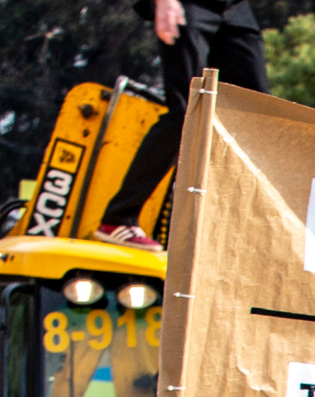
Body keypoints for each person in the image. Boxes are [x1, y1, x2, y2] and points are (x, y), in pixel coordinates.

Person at [95, 0, 269, 250]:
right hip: (188, 5)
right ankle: (118, 218)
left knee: (258, 113)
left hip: (235, 8)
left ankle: (234, 228)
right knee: (189, 109)